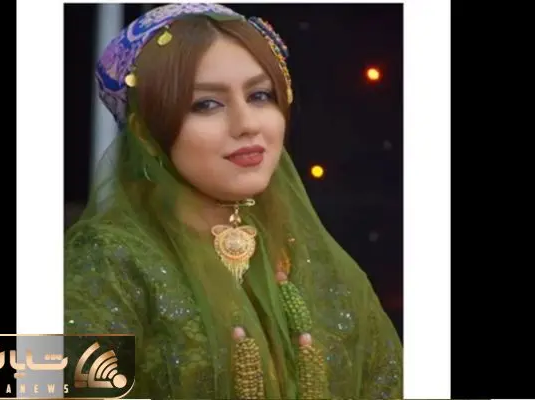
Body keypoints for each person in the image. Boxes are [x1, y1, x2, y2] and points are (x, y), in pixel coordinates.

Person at [64, 3, 402, 399]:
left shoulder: (320, 265)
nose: (247, 124)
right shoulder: (105, 261)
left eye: (260, 95)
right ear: (145, 133)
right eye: (206, 104)